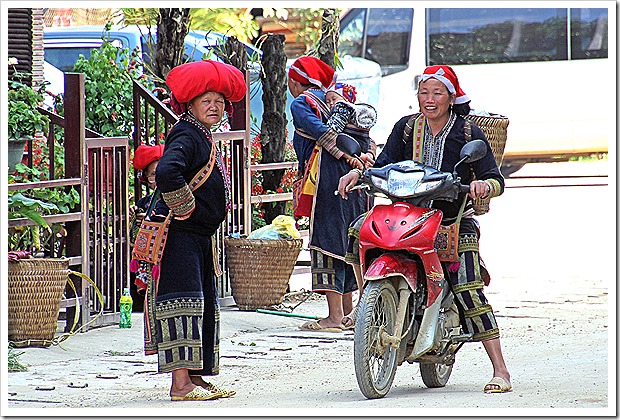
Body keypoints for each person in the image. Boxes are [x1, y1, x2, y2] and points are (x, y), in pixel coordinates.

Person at [337, 64, 512, 394]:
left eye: (437, 93)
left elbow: (496, 179)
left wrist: (483, 187)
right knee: (357, 229)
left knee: (467, 286)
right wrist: (358, 172)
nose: (429, 99)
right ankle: (367, 299)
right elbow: (384, 163)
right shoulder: (405, 128)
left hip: (452, 221)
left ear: (451, 98)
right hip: (405, 215)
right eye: (424, 92)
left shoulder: (468, 134)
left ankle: (500, 370)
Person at [148, 59, 245, 401]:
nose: (214, 106)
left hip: (197, 237)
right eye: (206, 100)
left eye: (219, 101)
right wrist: (185, 207)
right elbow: (166, 173)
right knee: (182, 301)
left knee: (200, 302)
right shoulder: (187, 135)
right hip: (181, 236)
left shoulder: (201, 134)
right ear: (190, 105)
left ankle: (194, 376)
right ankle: (180, 385)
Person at [288, 56, 374, 332]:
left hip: (327, 181)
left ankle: (334, 317)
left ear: (294, 81)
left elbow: (322, 133)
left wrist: (346, 157)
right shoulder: (347, 100)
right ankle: (350, 312)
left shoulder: (302, 103)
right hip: (358, 184)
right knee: (350, 241)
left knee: (326, 241)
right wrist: (362, 160)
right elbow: (368, 137)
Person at [130, 143, 167, 297]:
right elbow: (134, 239)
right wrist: (136, 220)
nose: (156, 179)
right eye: (152, 175)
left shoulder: (174, 198)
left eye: (160, 173)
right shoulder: (143, 203)